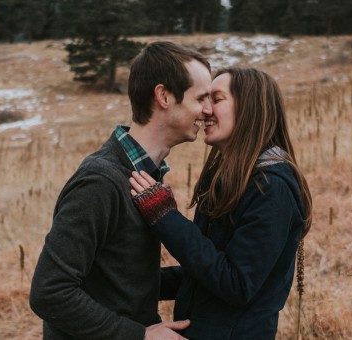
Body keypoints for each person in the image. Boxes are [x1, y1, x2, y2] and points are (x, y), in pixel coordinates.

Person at [29, 41, 213, 339]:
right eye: (201, 98)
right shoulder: (100, 181)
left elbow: (118, 279)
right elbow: (49, 292)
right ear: (164, 96)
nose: (208, 110)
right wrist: (139, 336)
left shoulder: (144, 177)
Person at [129, 67, 313, 339]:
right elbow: (206, 272)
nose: (205, 110)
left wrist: (166, 217)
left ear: (250, 108)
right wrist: (130, 284)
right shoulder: (228, 178)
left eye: (216, 99)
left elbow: (236, 284)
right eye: (205, 100)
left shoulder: (272, 188)